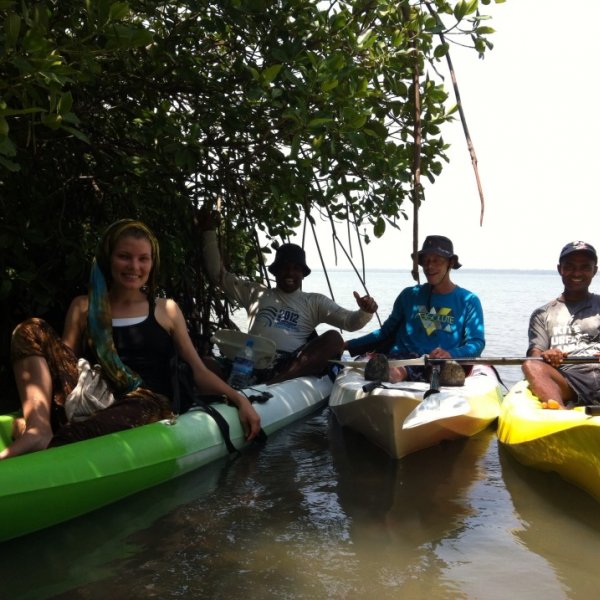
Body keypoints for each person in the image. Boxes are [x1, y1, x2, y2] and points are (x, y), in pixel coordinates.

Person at [0, 219, 261, 460]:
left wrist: (239, 399)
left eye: (143, 259)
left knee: (75, 437)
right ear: (108, 259)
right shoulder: (83, 306)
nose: (134, 267)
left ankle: (54, 442)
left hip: (147, 401)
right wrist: (37, 410)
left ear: (152, 263)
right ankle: (38, 429)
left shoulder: (165, 310)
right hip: (95, 391)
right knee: (30, 329)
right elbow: (63, 367)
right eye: (124, 256)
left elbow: (199, 371)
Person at [198, 211, 378, 384]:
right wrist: (208, 232)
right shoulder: (256, 293)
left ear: (303, 274)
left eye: (296, 268)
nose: (290, 273)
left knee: (333, 339)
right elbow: (218, 275)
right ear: (275, 271)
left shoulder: (314, 302)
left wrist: (365, 311)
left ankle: (275, 383)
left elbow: (349, 322)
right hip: (246, 362)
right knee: (205, 363)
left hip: (285, 366)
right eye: (284, 267)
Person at [345, 235, 485, 382]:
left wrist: (451, 354)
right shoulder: (408, 295)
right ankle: (388, 376)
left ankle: (439, 378)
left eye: (436, 260)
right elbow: (385, 332)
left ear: (450, 263)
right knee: (394, 369)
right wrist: (348, 345)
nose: (429, 266)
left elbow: (476, 342)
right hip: (402, 360)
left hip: (438, 364)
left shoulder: (469, 301)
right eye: (425, 261)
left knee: (444, 370)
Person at [523, 240, 600, 409]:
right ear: (560, 269)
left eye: (585, 267)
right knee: (531, 365)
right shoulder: (543, 314)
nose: (577, 273)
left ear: (594, 270)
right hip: (569, 381)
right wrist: (546, 355)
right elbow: (534, 354)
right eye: (570, 266)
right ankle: (560, 415)